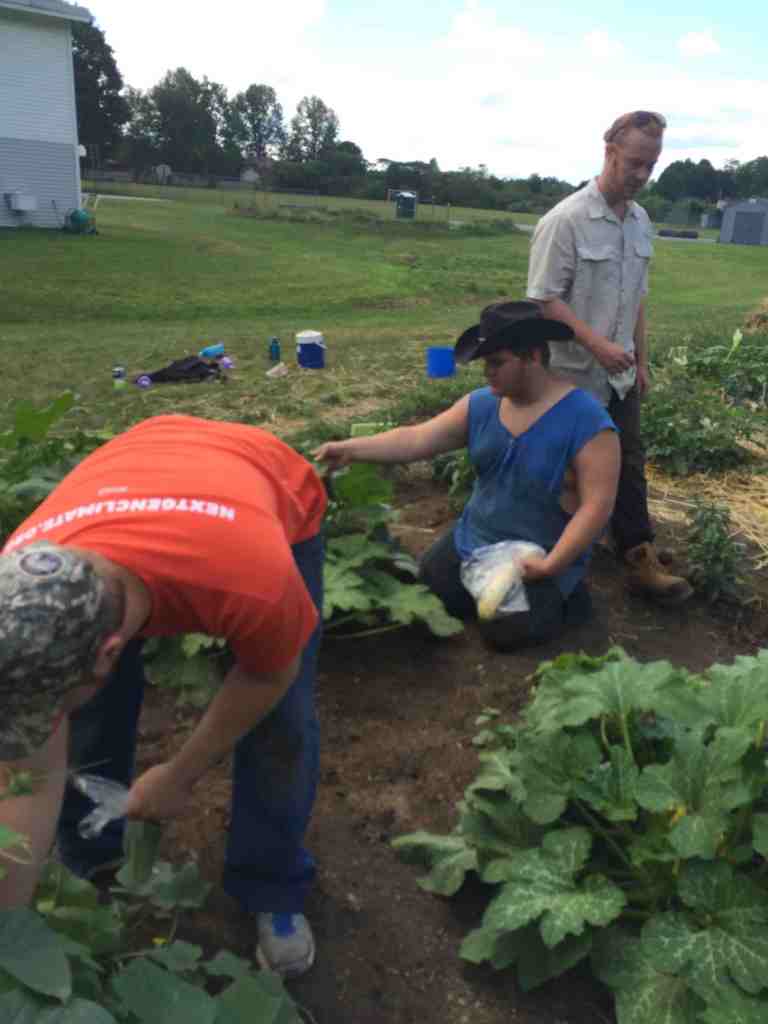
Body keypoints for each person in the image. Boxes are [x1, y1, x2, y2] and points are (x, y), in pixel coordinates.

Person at [0, 414, 326, 978]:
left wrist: (179, 774)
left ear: (111, 651)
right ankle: (90, 860)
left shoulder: (254, 579)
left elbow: (268, 677)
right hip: (141, 456)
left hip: (263, 475)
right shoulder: (22, 589)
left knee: (282, 722)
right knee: (87, 713)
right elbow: (30, 770)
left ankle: (272, 885)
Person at [315, 301, 620, 650]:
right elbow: (416, 439)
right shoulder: (482, 405)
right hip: (472, 541)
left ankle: (568, 598)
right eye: (484, 362)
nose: (486, 372)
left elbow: (597, 506)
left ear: (533, 356)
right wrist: (351, 449)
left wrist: (552, 565)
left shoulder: (588, 421)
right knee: (428, 595)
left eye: (496, 362)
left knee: (505, 634)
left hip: (534, 557)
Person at [527, 110, 692, 605]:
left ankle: (639, 556)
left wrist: (641, 360)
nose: (642, 175)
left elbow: (637, 297)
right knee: (566, 470)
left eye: (652, 165)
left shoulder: (640, 222)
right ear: (610, 151)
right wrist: (596, 344)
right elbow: (544, 299)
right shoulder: (566, 220)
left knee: (630, 460)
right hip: (572, 376)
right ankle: (549, 558)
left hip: (620, 376)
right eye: (635, 163)